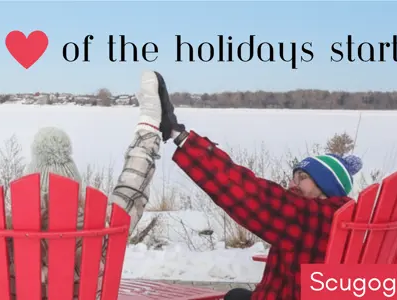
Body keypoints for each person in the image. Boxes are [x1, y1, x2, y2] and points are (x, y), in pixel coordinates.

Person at [0, 70, 169, 299]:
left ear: (27, 179)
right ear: (74, 181)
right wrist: (148, 125)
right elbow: (133, 186)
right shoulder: (104, 224)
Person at [151, 70, 363, 300]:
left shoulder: (311, 218)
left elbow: (246, 192)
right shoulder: (346, 217)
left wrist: (179, 136)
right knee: (236, 296)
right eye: (294, 175)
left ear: (327, 186)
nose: (293, 183)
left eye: (303, 177)